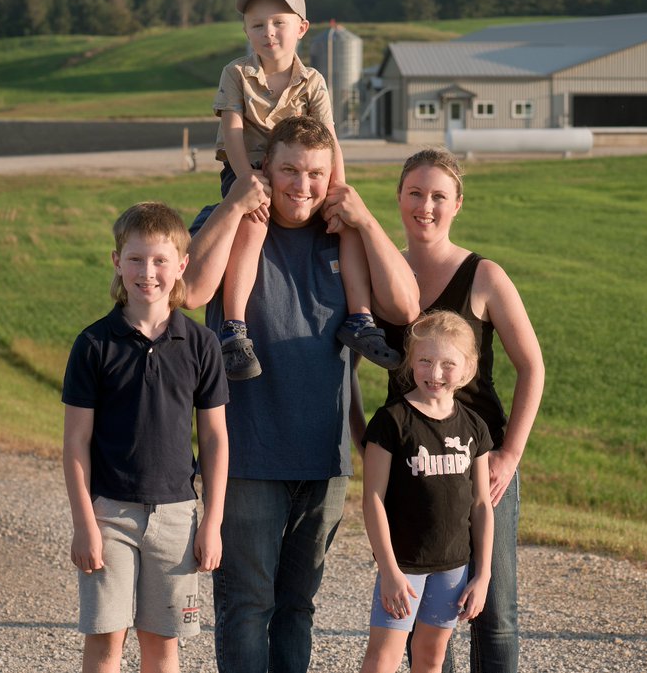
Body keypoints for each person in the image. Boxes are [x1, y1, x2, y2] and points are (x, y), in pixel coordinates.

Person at [183, 115, 419, 673]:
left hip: (324, 459)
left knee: (297, 607)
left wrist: (365, 220)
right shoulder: (231, 222)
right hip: (247, 455)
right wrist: (236, 205)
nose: (302, 185)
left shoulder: (343, 237)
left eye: (316, 173)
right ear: (266, 166)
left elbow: (406, 309)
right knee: (246, 605)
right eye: (289, 169)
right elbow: (189, 290)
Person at [375, 148, 545, 673]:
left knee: (493, 610)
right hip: (412, 467)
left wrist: (510, 454)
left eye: (438, 197)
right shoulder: (385, 272)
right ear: (399, 198)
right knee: (426, 610)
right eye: (415, 194)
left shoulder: (483, 275)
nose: (425, 206)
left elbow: (532, 366)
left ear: (458, 204)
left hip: (480, 463)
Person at [61, 201, 230, 673]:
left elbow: (214, 438)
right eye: (135, 259)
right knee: (105, 643)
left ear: (181, 265)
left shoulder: (201, 345)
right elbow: (75, 443)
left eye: (159, 261)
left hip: (177, 516)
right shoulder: (94, 344)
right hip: (109, 513)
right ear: (117, 261)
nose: (147, 273)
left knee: (162, 646)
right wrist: (84, 523)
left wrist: (211, 521)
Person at [213, 0, 399, 380]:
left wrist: (338, 192)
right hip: (250, 169)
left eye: (279, 22)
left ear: (301, 28)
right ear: (246, 31)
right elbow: (234, 129)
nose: (268, 33)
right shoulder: (237, 73)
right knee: (253, 221)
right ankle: (234, 327)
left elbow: (329, 139)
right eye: (257, 25)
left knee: (348, 223)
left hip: (302, 174)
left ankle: (360, 318)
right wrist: (247, 182)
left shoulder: (313, 80)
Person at [360, 310, 494, 673]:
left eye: (447, 364)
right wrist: (388, 570)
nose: (435, 373)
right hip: (403, 566)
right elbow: (372, 498)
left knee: (432, 658)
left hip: (453, 566)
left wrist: (482, 575)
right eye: (425, 361)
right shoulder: (391, 421)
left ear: (467, 369)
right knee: (383, 658)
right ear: (410, 362)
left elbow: (482, 504)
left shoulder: (474, 427)